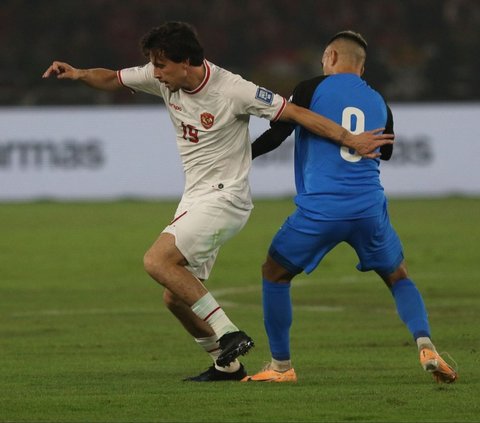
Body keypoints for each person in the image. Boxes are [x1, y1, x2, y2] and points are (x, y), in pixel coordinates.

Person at [42, 22, 393, 382]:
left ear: (187, 62)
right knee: (175, 296)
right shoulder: (162, 75)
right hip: (195, 197)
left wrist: (349, 138)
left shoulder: (234, 90)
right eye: (153, 65)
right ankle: (227, 365)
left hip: (226, 197)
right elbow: (113, 79)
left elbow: (296, 114)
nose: (155, 73)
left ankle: (229, 333)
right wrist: (79, 73)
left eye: (161, 66)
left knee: (156, 260)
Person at [242, 31, 458, 384]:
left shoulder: (310, 89)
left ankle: (281, 367)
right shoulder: (379, 102)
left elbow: (277, 134)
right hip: (369, 209)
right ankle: (426, 344)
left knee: (274, 273)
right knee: (398, 276)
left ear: (329, 56)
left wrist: (239, 158)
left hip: (321, 209)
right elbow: (384, 152)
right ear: (362, 65)